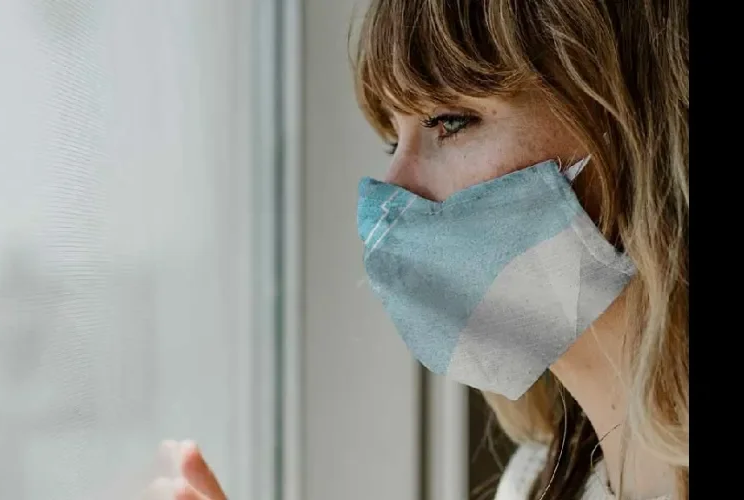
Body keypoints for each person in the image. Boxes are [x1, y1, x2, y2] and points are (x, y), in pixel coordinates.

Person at [141, 0, 689, 498]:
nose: (390, 191)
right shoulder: (537, 482)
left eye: (451, 122)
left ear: (642, 131)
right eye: (392, 139)